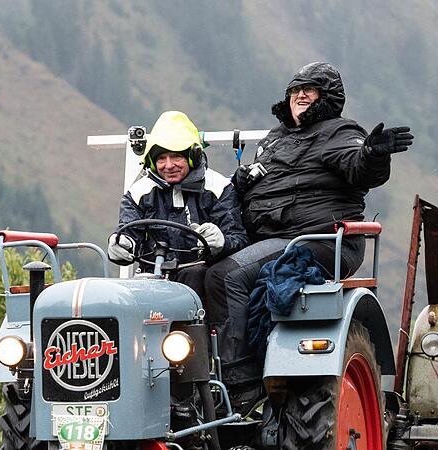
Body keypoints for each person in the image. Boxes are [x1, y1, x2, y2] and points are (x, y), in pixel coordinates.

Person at [203, 62, 413, 415]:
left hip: (315, 241)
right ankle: (191, 378)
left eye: (310, 89)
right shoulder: (273, 140)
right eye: (294, 89)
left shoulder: (339, 132)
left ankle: (239, 385)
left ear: (326, 98)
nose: (299, 94)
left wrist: (374, 155)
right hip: (266, 239)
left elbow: (358, 166)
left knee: (227, 276)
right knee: (191, 274)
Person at [107, 111, 249, 300]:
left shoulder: (218, 188)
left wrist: (222, 243)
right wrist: (120, 245)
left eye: (176, 157)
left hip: (205, 280)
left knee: (197, 274)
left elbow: (239, 239)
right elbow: (129, 233)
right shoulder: (139, 193)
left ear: (193, 156)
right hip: (152, 279)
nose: (168, 165)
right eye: (161, 158)